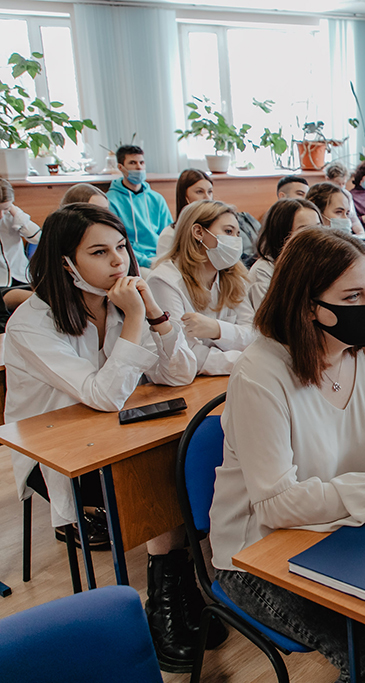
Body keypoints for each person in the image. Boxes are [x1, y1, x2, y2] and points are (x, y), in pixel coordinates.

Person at [209, 228, 365, 683]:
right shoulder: (260, 374)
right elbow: (277, 504)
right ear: (308, 305)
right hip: (258, 556)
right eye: (352, 296)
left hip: (349, 528)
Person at [3, 204, 212, 673]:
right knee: (155, 473)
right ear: (65, 262)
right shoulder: (32, 323)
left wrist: (154, 314)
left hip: (112, 434)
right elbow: (104, 395)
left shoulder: (120, 303)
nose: (119, 261)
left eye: (121, 247)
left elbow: (179, 373)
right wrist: (135, 318)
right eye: (99, 252)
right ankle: (164, 602)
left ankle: (177, 587)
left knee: (185, 453)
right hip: (54, 455)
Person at [148, 200, 256, 375]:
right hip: (185, 382)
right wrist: (245, 360)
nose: (236, 241)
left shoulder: (234, 276)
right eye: (228, 231)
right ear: (198, 232)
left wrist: (217, 329)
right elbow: (185, 355)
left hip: (229, 375)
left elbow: (254, 335)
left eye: (238, 234)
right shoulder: (163, 281)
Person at [248, 198, 322, 312]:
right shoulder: (263, 271)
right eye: (305, 230)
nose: (316, 235)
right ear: (282, 234)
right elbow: (269, 320)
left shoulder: (318, 262)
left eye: (318, 227)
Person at [105, 145, 173, 268]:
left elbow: (169, 234)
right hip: (133, 260)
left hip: (161, 257)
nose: (139, 167)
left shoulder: (157, 198)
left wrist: (168, 258)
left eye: (142, 162)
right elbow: (115, 243)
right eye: (133, 163)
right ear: (120, 167)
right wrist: (148, 262)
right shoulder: (110, 201)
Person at [0, 179, 42, 287]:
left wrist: (16, 213)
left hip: (21, 276)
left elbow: (37, 238)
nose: (1, 215)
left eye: (5, 209)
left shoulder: (12, 216)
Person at [324, 161, 360, 228]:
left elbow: (353, 219)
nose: (341, 187)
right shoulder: (322, 196)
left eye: (343, 183)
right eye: (337, 183)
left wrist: (361, 232)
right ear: (327, 179)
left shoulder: (347, 195)